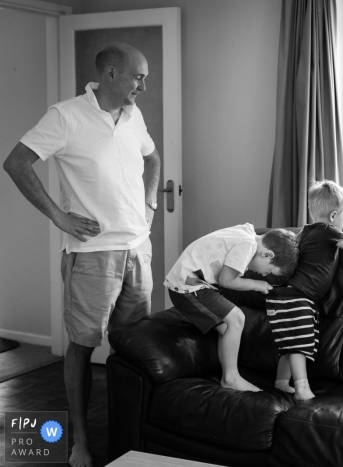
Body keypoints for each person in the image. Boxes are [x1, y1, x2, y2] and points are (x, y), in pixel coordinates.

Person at [3, 43, 160, 467]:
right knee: (81, 346)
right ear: (111, 74)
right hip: (92, 254)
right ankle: (80, 442)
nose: (143, 86)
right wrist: (59, 217)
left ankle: (130, 435)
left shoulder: (133, 117)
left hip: (137, 250)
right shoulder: (65, 116)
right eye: (137, 77)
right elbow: (16, 163)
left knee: (132, 347)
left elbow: (152, 157)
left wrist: (149, 204)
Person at [225, 180, 343, 400]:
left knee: (289, 343)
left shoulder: (306, 231)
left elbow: (331, 228)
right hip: (299, 297)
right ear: (333, 216)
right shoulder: (329, 232)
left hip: (281, 296)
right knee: (300, 345)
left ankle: (281, 383)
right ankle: (302, 388)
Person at [165, 224, 298, 393]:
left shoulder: (247, 233)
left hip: (191, 284)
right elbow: (227, 281)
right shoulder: (247, 245)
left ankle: (227, 375)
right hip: (188, 287)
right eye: (269, 271)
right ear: (267, 254)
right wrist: (257, 284)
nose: (264, 275)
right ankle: (231, 378)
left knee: (228, 326)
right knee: (237, 318)